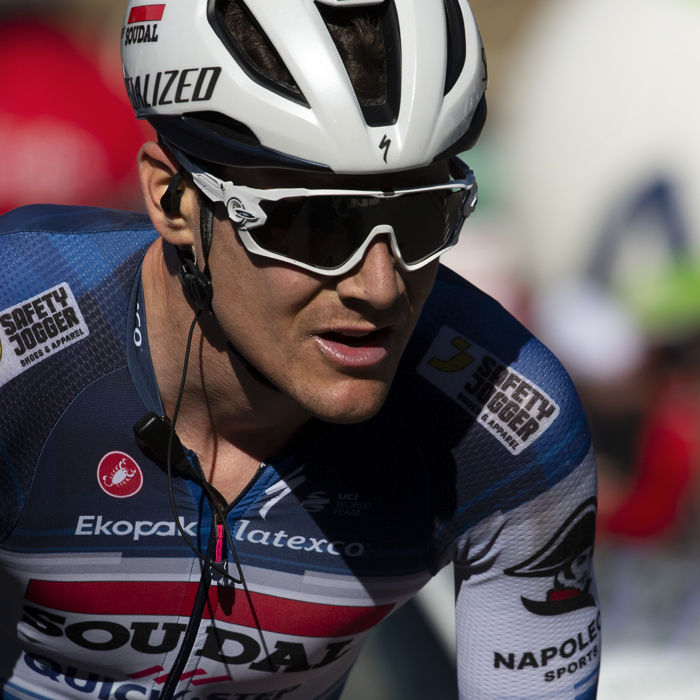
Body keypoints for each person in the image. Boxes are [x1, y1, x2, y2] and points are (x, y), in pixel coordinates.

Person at [0, 1, 600, 699]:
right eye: (318, 223)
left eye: (419, 215)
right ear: (173, 202)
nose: (380, 289)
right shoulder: (20, 353)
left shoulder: (509, 428)